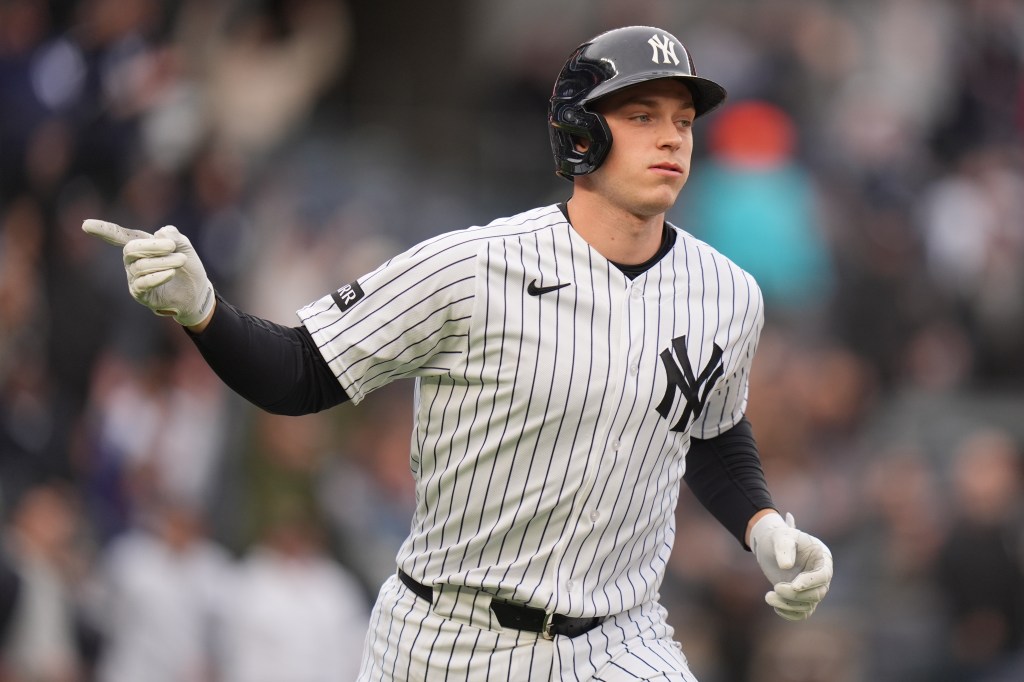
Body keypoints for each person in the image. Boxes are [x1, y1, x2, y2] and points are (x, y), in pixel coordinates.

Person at [83, 25, 833, 682]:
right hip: (449, 640)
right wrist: (203, 311)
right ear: (581, 134)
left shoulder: (729, 293)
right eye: (642, 116)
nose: (673, 137)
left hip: (620, 642)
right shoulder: (470, 268)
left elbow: (710, 427)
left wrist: (764, 527)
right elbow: (301, 374)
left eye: (683, 119)